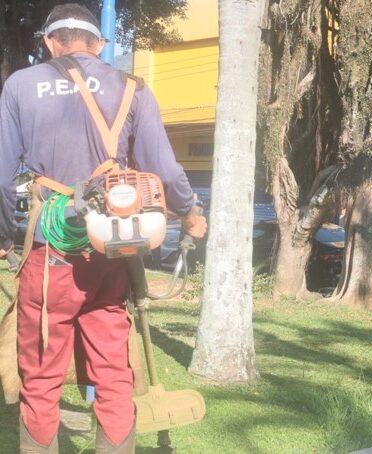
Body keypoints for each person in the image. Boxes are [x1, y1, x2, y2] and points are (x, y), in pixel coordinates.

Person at [0, 3, 206, 452]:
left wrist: (2, 238)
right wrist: (190, 212)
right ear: (100, 44)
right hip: (112, 250)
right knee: (113, 373)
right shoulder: (131, 86)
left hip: (49, 253)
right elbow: (165, 172)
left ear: (50, 42)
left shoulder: (20, 85)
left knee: (41, 376)